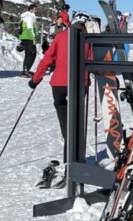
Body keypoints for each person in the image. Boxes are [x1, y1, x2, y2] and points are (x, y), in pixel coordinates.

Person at [29, 18, 90, 169]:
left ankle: (68, 161)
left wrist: (36, 79)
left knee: (66, 124)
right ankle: (74, 162)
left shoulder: (60, 36)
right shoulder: (87, 38)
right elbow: (91, 61)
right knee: (76, 123)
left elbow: (47, 59)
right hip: (78, 84)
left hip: (59, 85)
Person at [19, 3, 39, 77]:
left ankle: (25, 70)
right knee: (32, 54)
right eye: (35, 9)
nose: (36, 11)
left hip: (25, 37)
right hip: (29, 37)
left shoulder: (26, 16)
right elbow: (30, 28)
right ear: (31, 9)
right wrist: (34, 38)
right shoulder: (29, 17)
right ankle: (26, 71)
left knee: (28, 54)